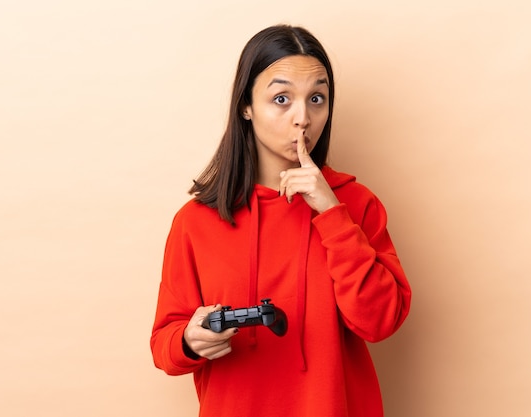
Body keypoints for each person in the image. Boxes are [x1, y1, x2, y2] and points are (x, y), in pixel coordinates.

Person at [150, 24, 412, 417]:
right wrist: (189, 340)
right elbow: (164, 346)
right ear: (247, 106)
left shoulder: (356, 204)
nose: (303, 118)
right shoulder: (196, 221)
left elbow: (380, 322)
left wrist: (331, 213)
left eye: (317, 98)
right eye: (282, 98)